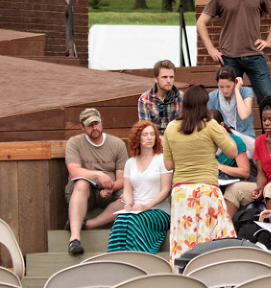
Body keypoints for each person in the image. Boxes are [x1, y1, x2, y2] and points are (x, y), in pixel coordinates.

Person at [163, 85, 239, 266]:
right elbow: (233, 152)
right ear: (204, 104)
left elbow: (168, 165)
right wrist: (222, 131)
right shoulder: (211, 125)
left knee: (184, 239)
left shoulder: (171, 128)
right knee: (212, 240)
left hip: (182, 192)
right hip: (207, 191)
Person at [197, 0, 271, 103]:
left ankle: (266, 127)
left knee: (268, 100)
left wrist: (269, 40)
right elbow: (201, 22)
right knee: (229, 102)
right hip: (229, 57)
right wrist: (211, 49)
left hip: (255, 54)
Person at [65, 108, 129, 255]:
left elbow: (122, 179)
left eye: (96, 123)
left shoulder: (117, 144)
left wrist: (112, 187)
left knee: (128, 197)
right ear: (82, 127)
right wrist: (97, 175)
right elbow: (74, 171)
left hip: (110, 192)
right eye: (90, 125)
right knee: (82, 182)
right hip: (83, 192)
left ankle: (88, 224)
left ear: (101, 123)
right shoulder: (74, 143)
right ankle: (74, 239)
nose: (94, 127)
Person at [107, 121, 172, 253]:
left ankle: (139, 257)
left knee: (133, 220)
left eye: (152, 134)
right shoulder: (130, 163)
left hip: (159, 212)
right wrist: (128, 204)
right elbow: (127, 190)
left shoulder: (162, 160)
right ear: (138, 138)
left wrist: (146, 206)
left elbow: (166, 190)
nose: (149, 138)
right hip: (135, 210)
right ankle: (116, 259)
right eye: (145, 135)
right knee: (120, 220)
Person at [207, 65, 256, 139]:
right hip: (222, 138)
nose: (225, 90)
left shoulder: (246, 92)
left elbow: (244, 115)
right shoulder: (212, 97)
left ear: (234, 82)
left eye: (228, 86)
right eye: (221, 87)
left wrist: (237, 90)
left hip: (245, 137)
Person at [137, 59, 183, 135]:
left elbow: (185, 127)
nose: (169, 80)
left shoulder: (181, 98)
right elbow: (145, 130)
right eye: (164, 77)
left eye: (171, 77)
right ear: (156, 79)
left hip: (175, 142)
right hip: (154, 143)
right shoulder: (145, 99)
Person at [210, 109, 251, 183]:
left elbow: (245, 172)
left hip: (230, 183)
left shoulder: (236, 141)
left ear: (221, 125)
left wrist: (220, 167)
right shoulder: (203, 142)